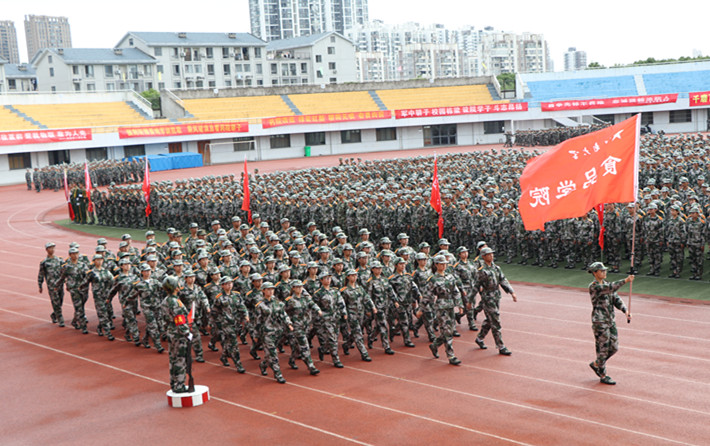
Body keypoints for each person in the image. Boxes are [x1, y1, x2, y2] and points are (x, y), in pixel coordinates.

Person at [587, 262, 633, 385]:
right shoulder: (594, 287)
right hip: (600, 322)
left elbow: (616, 299)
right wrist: (626, 280)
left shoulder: (607, 285)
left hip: (610, 320)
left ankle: (597, 364)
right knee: (602, 349)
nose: (604, 272)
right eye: (601, 271)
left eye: (605, 270)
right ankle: (603, 374)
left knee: (614, 347)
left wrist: (625, 311)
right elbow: (612, 288)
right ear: (595, 273)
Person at [474, 247, 517, 355]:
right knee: (495, 320)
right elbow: (475, 286)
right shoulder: (481, 271)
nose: (491, 256)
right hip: (488, 297)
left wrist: (511, 292)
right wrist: (470, 300)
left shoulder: (496, 268)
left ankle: (480, 338)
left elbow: (503, 279)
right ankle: (501, 346)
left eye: (492, 254)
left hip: (496, 296)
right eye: (488, 255)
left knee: (490, 320)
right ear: (483, 257)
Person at [426, 255, 464, 365]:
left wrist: (460, 305)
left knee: (450, 331)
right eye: (441, 263)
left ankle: (435, 345)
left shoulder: (450, 277)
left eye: (445, 264)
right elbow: (427, 295)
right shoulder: (433, 279)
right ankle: (451, 355)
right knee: (447, 332)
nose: (444, 266)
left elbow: (455, 291)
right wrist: (422, 309)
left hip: (450, 306)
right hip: (441, 307)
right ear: (436, 265)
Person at [255, 282, 294, 383]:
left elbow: (283, 314)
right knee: (273, 353)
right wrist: (256, 334)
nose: (271, 291)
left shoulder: (278, 303)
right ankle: (278, 374)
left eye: (272, 289)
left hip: (277, 331)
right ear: (263, 290)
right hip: (266, 333)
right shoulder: (260, 305)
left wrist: (289, 323)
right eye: (268, 289)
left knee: (269, 354)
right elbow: (257, 321)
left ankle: (263, 365)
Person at [160, 276, 192, 393]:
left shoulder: (166, 300)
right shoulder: (175, 302)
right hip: (178, 334)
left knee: (173, 358)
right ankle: (179, 384)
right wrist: (186, 333)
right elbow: (179, 319)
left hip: (171, 332)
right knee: (180, 359)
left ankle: (174, 383)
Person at [38, 242, 65, 327]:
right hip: (52, 286)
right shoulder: (44, 262)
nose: (52, 249)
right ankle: (60, 319)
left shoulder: (59, 260)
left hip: (60, 284)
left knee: (60, 300)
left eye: (53, 248)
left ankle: (54, 314)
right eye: (50, 248)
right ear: (46, 250)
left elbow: (64, 272)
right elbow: (41, 274)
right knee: (55, 302)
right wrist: (40, 284)